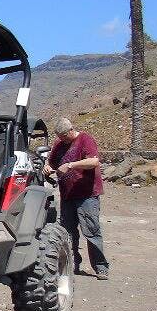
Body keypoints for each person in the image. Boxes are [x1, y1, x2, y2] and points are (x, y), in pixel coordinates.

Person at [44, 117, 110, 280]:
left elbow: (94, 161)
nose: (61, 140)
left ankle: (100, 266)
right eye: (59, 137)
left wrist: (72, 165)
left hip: (86, 194)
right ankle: (72, 263)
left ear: (70, 131)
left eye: (64, 137)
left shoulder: (85, 139)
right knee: (68, 231)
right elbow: (51, 162)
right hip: (67, 194)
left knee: (91, 230)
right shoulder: (59, 145)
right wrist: (48, 167)